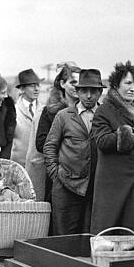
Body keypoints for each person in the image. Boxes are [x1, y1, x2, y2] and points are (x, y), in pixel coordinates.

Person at [90, 61, 134, 238]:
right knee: (108, 232)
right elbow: (102, 141)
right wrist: (133, 132)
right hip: (112, 182)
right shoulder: (104, 110)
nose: (133, 88)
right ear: (115, 85)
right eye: (128, 83)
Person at [43, 69, 104, 235]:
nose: (89, 96)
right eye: (84, 91)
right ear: (77, 92)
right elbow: (49, 146)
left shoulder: (105, 116)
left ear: (100, 92)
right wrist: (56, 173)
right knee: (64, 237)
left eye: (93, 91)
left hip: (95, 188)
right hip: (66, 186)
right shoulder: (64, 116)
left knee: (91, 236)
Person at [32, 62, 81, 202]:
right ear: (62, 83)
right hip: (59, 174)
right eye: (73, 82)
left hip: (82, 175)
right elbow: (41, 142)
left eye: (80, 83)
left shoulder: (87, 110)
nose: (77, 87)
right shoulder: (51, 110)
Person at [12, 69, 43, 167]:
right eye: (32, 86)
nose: (36, 89)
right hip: (17, 166)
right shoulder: (14, 111)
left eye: (38, 85)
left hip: (39, 167)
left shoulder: (44, 111)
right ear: (22, 89)